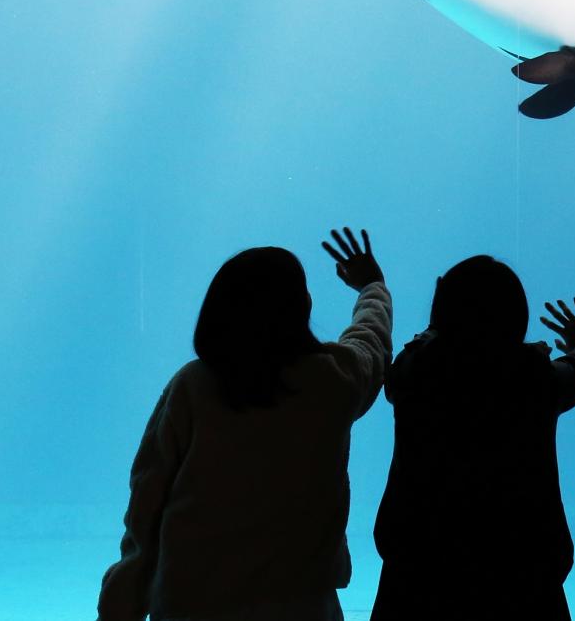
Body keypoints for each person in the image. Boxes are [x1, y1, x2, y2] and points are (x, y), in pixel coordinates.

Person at [97, 227, 392, 621]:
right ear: (302, 307)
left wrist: (121, 608)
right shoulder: (335, 381)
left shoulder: (193, 386)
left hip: (192, 604)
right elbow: (371, 340)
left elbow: (145, 508)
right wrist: (372, 286)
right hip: (302, 606)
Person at [370, 255, 575, 621]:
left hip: (413, 583)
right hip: (526, 587)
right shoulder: (534, 380)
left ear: (441, 315)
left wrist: (436, 325)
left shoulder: (414, 373)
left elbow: (416, 354)